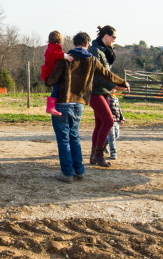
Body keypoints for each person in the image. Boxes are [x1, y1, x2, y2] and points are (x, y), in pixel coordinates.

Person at [44, 31, 128, 181]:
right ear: (87, 44)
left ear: (74, 43)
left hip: (62, 103)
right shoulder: (93, 60)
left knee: (63, 139)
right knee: (74, 137)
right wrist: (123, 82)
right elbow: (108, 75)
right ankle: (79, 170)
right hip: (79, 104)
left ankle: (67, 173)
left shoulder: (66, 58)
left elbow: (50, 81)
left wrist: (46, 75)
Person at [88, 25, 124, 167]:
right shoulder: (94, 51)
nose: (114, 40)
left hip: (104, 91)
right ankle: (98, 154)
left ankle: (93, 156)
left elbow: (107, 73)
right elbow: (96, 75)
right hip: (95, 91)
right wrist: (114, 85)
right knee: (109, 121)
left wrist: (116, 84)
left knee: (100, 123)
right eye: (113, 37)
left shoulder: (104, 51)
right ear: (106, 36)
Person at [39, 31, 66, 117]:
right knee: (56, 88)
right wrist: (65, 56)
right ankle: (50, 107)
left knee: (56, 88)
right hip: (52, 72)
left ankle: (52, 106)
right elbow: (55, 55)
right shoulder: (55, 48)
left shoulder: (50, 47)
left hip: (49, 71)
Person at [106, 93, 124, 160]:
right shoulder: (107, 97)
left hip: (116, 120)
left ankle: (103, 144)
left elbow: (118, 109)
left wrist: (121, 118)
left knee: (116, 135)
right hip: (110, 120)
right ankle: (113, 152)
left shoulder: (115, 97)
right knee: (112, 136)